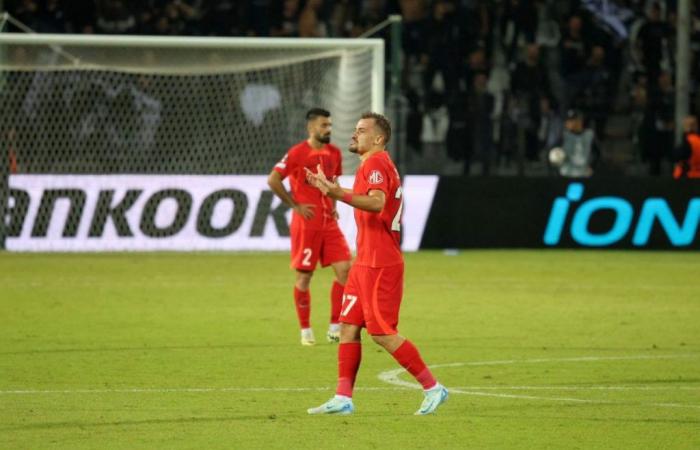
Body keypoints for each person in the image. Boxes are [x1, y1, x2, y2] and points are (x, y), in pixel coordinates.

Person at [304, 112, 448, 416]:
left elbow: (378, 202)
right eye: (355, 130)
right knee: (348, 327)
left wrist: (336, 192)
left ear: (378, 139)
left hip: (380, 263)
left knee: (381, 332)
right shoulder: (371, 164)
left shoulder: (376, 163)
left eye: (361, 131)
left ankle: (433, 387)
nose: (354, 135)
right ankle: (343, 398)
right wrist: (332, 190)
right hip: (364, 262)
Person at [268, 108, 352, 346]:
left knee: (346, 270)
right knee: (305, 276)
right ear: (311, 127)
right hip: (307, 224)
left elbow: (334, 181)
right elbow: (273, 179)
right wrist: (294, 205)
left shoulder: (335, 153)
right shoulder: (296, 153)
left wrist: (334, 204)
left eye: (330, 125)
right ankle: (305, 331)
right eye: (324, 125)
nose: (328, 129)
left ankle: (335, 327)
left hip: (329, 222)